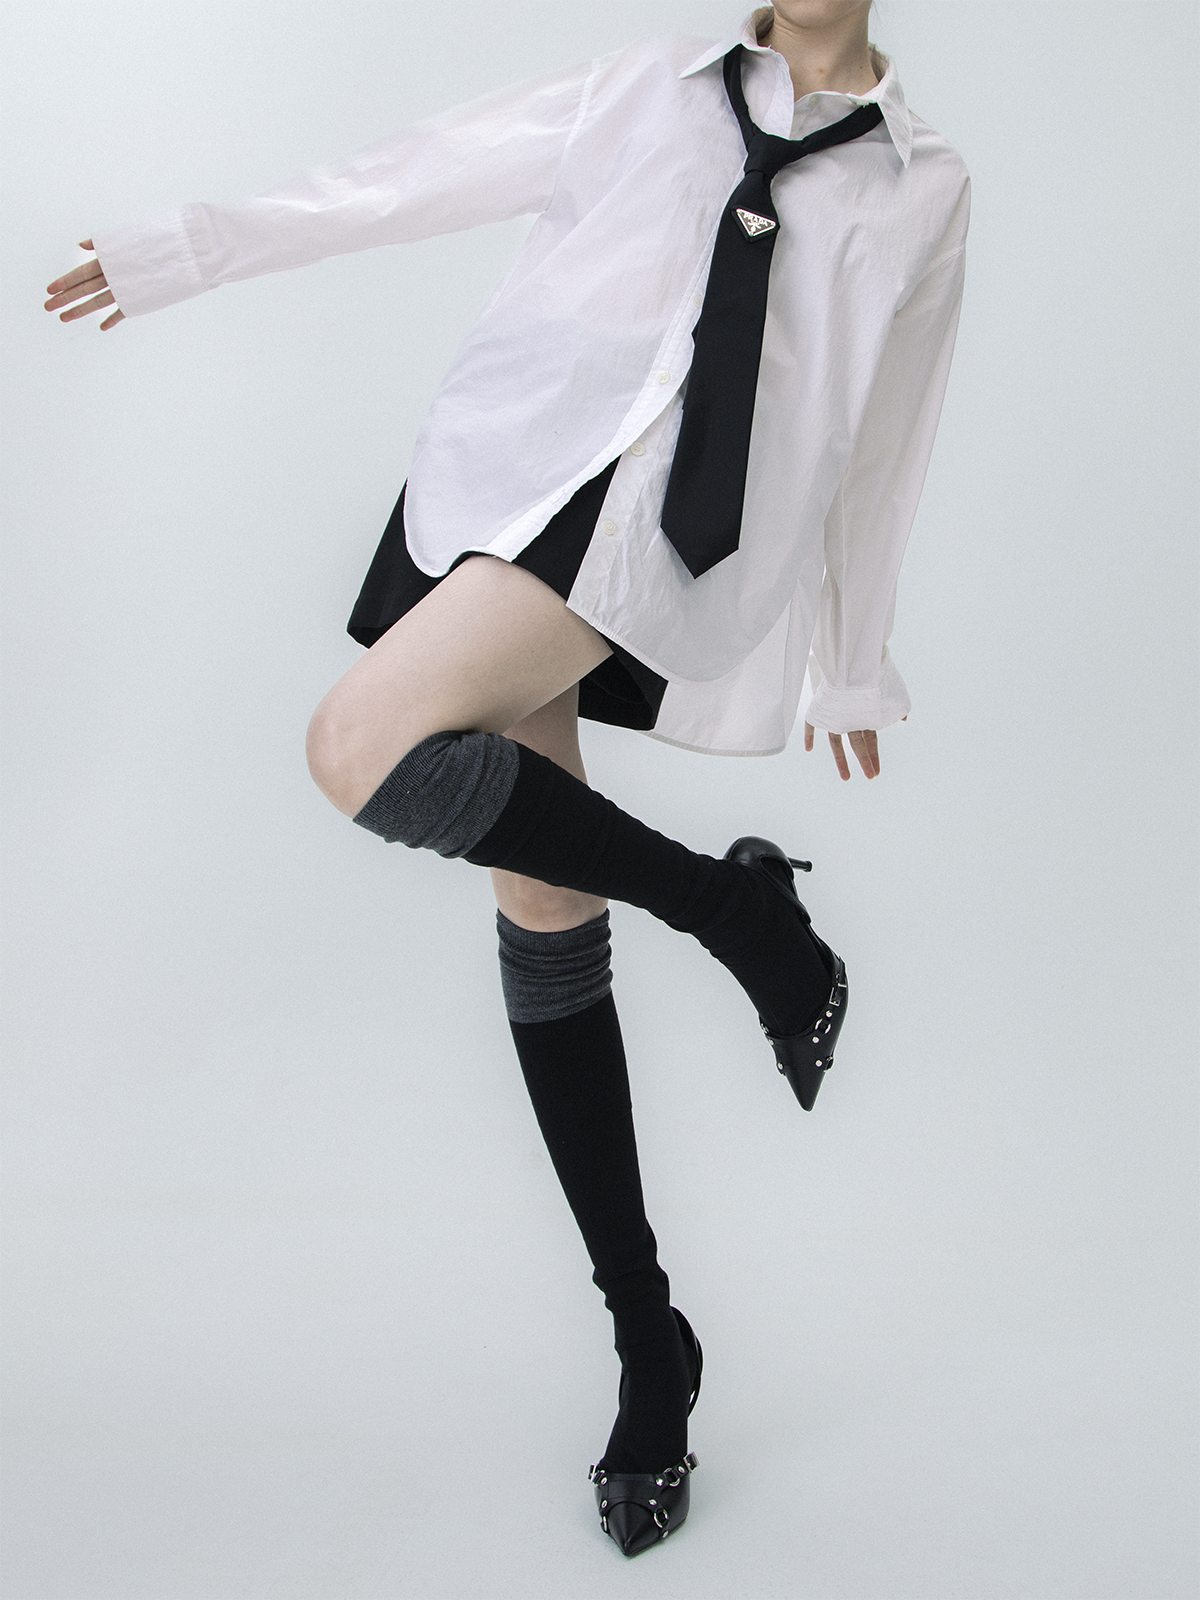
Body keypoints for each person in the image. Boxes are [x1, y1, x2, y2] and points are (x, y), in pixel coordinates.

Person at [44, 1, 969, 1559]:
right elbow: (405, 179)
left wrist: (854, 656)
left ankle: (734, 931)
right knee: (536, 903)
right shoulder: (646, 92)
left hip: (669, 549)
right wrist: (193, 247)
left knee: (359, 748)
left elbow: (889, 434)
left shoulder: (924, 186)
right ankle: (655, 1328)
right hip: (507, 480)